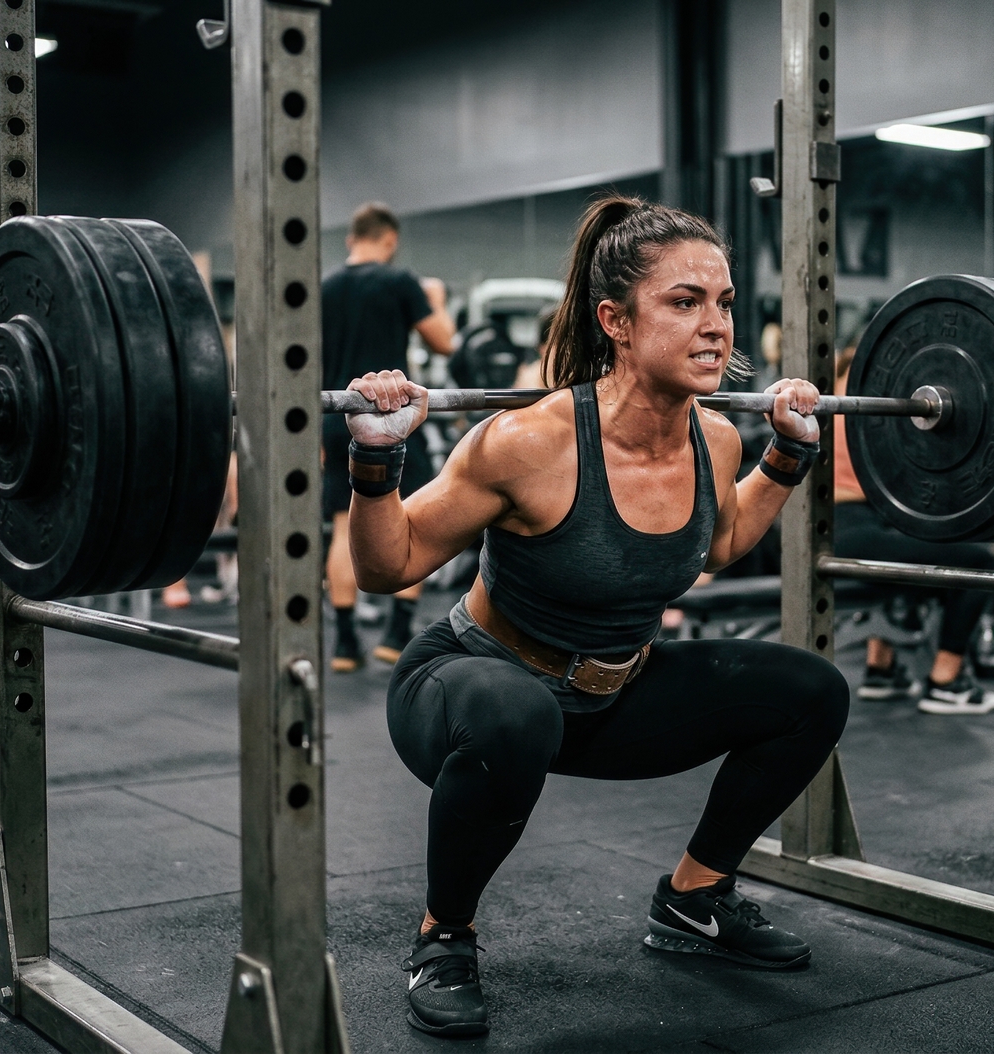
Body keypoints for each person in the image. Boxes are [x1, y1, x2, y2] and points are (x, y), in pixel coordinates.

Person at [343, 197, 849, 1037]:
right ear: (614, 319)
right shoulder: (528, 442)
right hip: (470, 690)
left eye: (723, 303)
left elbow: (721, 541)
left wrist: (788, 454)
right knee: (517, 711)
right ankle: (444, 935)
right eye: (685, 303)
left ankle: (694, 897)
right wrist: (374, 459)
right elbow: (383, 567)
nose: (717, 325)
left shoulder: (716, 438)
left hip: (612, 692)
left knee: (808, 690)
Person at [830, 349, 994, 713]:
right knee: (977, 564)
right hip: (852, 527)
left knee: (909, 551)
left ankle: (881, 669)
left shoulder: (838, 390)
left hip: (841, 527)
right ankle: (946, 682)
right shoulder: (887, 399)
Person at [321, 202, 455, 671]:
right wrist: (434, 299)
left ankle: (343, 643)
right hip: (389, 415)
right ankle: (396, 633)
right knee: (411, 516)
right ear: (390, 240)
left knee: (341, 526)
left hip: (336, 415)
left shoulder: (324, 287)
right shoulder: (401, 282)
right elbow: (445, 341)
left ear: (350, 238)